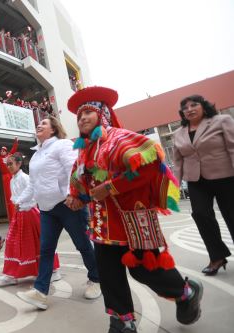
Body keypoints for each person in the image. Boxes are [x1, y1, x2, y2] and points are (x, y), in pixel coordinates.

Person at [67, 86, 203, 332]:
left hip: (132, 220)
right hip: (103, 225)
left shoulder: (119, 138)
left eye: (87, 112)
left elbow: (150, 165)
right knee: (109, 275)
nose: (82, 119)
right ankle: (121, 322)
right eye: (78, 116)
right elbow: (84, 184)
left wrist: (111, 187)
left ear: (102, 114)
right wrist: (78, 198)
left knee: (144, 270)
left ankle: (186, 291)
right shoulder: (84, 150)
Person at [15, 116, 101, 311]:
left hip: (67, 205)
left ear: (53, 130)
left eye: (44, 123)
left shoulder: (61, 145)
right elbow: (33, 184)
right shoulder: (36, 155)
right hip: (46, 209)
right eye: (38, 124)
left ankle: (96, 279)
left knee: (82, 245)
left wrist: (74, 195)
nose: (39, 125)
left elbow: (74, 170)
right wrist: (21, 201)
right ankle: (41, 292)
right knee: (46, 250)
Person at [173, 94, 234, 275]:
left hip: (226, 177)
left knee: (232, 215)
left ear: (204, 106)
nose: (189, 109)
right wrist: (173, 186)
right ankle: (217, 256)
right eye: (185, 108)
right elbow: (177, 162)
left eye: (194, 105)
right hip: (196, 181)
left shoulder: (221, 121)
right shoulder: (179, 133)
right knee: (200, 215)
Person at [0, 152, 61, 287]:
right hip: (19, 214)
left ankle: (53, 271)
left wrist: (22, 203)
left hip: (29, 213)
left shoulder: (25, 178)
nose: (9, 166)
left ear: (19, 164)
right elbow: (14, 197)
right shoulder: (12, 179)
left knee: (38, 242)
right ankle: (12, 274)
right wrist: (17, 204)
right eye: (7, 164)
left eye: (11, 164)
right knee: (13, 244)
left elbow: (34, 195)